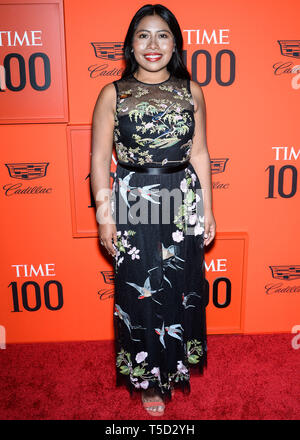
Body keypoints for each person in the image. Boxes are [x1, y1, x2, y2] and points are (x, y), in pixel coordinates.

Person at [91, 3, 216, 417]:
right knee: (140, 292)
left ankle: (174, 367)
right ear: (130, 44)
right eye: (143, 35)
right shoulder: (114, 93)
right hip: (134, 197)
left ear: (175, 43)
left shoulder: (190, 91)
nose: (153, 44)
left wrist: (209, 211)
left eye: (162, 35)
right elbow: (98, 161)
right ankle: (148, 380)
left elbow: (199, 153)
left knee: (179, 291)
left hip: (181, 196)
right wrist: (104, 216)